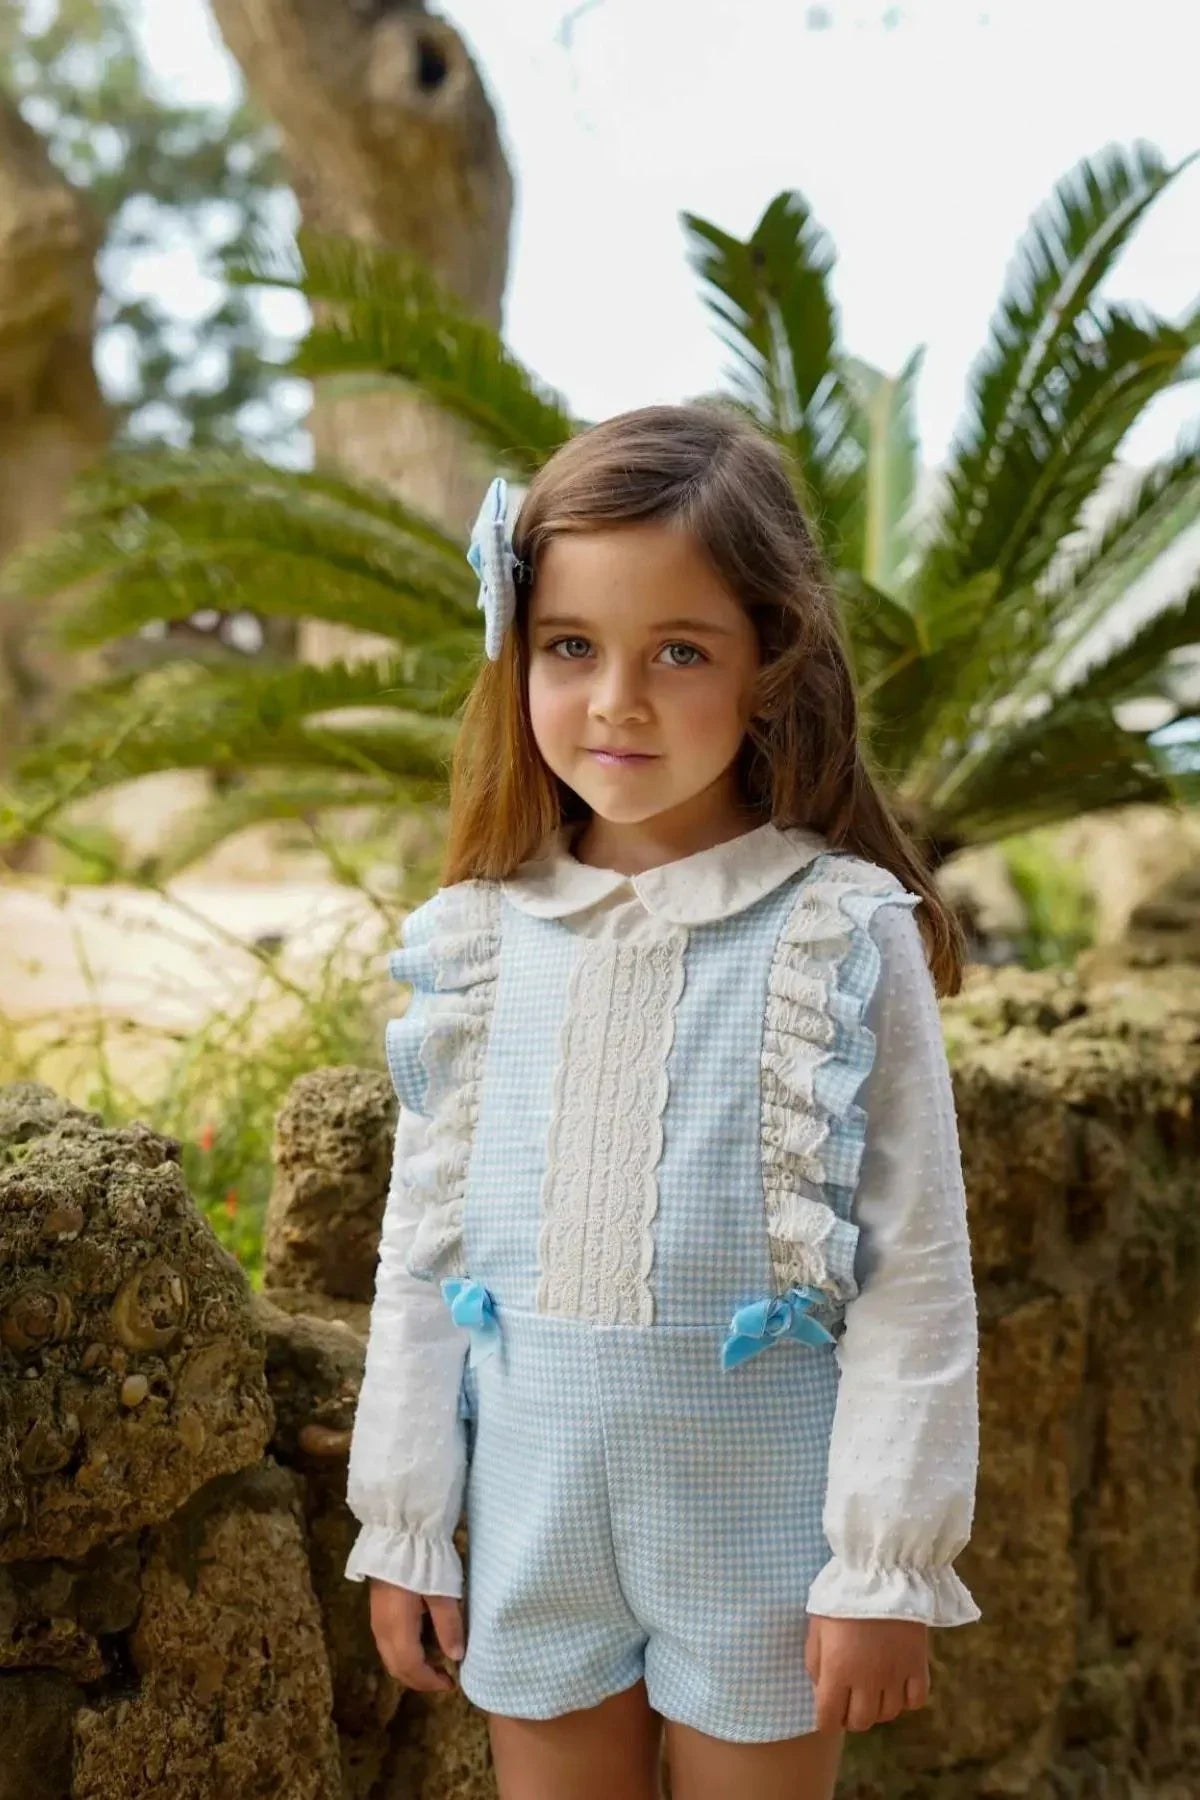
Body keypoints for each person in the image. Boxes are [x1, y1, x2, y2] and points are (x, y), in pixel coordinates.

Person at [344, 403, 981, 1800]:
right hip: (533, 1521)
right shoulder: (476, 939)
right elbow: (420, 1256)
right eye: (571, 646)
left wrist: (885, 1565)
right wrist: (406, 1525)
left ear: (769, 668)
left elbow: (917, 1274)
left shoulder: (837, 930)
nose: (616, 699)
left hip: (760, 1536)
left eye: (677, 652)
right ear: (517, 652)